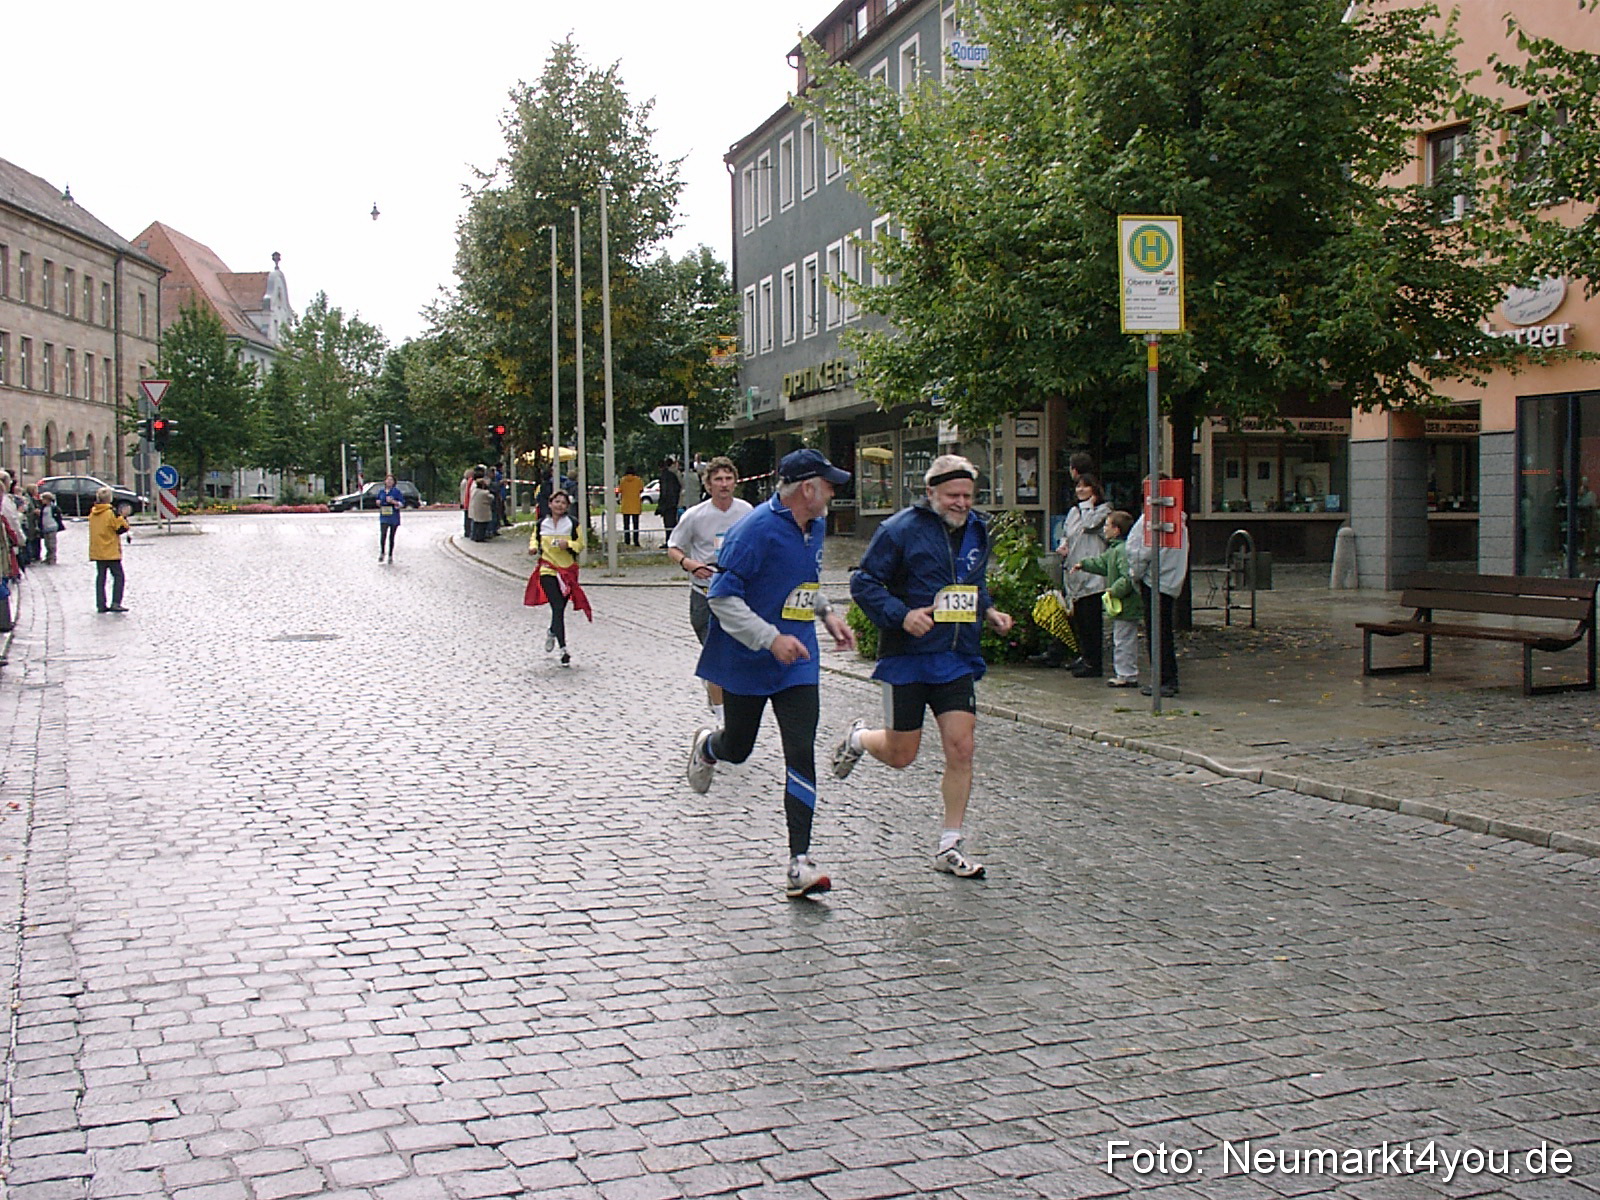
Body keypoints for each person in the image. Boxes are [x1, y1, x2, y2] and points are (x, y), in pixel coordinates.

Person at [830, 455, 1014, 880]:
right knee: (901, 755)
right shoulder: (898, 531)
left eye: (969, 495)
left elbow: (971, 584)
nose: (962, 503)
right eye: (953, 495)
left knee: (961, 747)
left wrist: (989, 612)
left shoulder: (977, 529)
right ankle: (859, 738)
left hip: (956, 657)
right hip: (908, 659)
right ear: (931, 493)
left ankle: (949, 846)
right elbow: (863, 582)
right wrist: (901, 615)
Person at [686, 448, 856, 899]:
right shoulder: (753, 531)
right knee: (737, 748)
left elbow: (803, 583)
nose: (834, 492)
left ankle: (799, 862)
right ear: (807, 489)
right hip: (747, 658)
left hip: (799, 662)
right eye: (829, 484)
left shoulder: (815, 526)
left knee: (800, 750)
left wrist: (827, 614)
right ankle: (708, 746)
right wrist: (769, 639)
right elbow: (721, 598)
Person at [666, 456, 754, 725]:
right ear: (708, 484)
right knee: (715, 656)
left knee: (735, 657)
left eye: (728, 479)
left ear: (735, 483)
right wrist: (690, 564)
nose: (724, 485)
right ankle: (722, 717)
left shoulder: (747, 512)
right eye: (718, 480)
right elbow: (673, 547)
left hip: (738, 595)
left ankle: (722, 705)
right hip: (705, 595)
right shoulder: (695, 515)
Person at [1127, 489, 1190, 697]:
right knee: (1163, 631)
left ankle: (1164, 679)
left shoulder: (1153, 518)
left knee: (1157, 632)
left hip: (1154, 581)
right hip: (1169, 582)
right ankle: (1166, 678)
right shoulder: (1178, 520)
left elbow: (1138, 552)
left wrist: (1135, 574)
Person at [1071, 510, 1143, 688]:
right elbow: (1102, 563)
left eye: (1107, 525)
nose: (1104, 529)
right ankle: (1125, 672)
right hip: (1122, 604)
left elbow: (1127, 577)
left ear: (1117, 530)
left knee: (1124, 639)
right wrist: (1085, 564)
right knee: (1121, 638)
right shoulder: (1114, 550)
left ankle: (1126, 674)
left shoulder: (1122, 551)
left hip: (1125, 604)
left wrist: (1113, 591)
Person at [1057, 473, 1112, 677]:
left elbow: (1089, 525)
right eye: (1078, 487)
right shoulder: (1074, 511)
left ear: (1094, 491)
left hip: (1093, 572)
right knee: (1080, 619)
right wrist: (1063, 545)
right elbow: (1068, 533)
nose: (1080, 491)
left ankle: (1094, 663)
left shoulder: (1103, 510)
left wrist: (1088, 505)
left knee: (1091, 620)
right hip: (1074, 569)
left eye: (1085, 487)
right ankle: (1084, 656)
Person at [526, 489, 589, 666]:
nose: (559, 505)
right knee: (557, 606)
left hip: (567, 571)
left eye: (563, 503)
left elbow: (580, 545)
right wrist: (532, 548)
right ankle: (563, 649)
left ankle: (552, 631)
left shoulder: (572, 523)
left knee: (560, 608)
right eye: (557, 502)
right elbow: (534, 540)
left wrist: (567, 544)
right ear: (550, 504)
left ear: (567, 506)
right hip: (548, 569)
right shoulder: (541, 524)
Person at [88, 486, 131, 613]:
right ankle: (116, 603)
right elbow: (121, 528)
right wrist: (123, 517)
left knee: (101, 577)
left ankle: (100, 604)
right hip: (110, 550)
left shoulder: (93, 513)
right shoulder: (110, 513)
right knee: (119, 576)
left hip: (97, 550)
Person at [375, 474, 405, 562]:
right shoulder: (381, 491)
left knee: (391, 536)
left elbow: (402, 503)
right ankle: (382, 552)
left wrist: (393, 502)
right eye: (387, 480)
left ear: (394, 482)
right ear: (385, 481)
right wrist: (378, 502)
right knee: (383, 534)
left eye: (391, 480)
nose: (389, 482)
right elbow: (377, 500)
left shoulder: (396, 492)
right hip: (384, 516)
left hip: (393, 516)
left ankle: (390, 555)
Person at [619, 466, 644, 547]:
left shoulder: (623, 480)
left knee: (626, 525)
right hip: (635, 505)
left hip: (625, 505)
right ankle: (636, 541)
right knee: (635, 524)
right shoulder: (638, 480)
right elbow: (641, 490)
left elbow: (620, 490)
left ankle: (627, 541)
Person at [658, 458, 683, 536]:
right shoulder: (671, 475)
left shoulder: (664, 476)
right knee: (672, 522)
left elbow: (664, 491)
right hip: (673, 502)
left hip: (668, 503)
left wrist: (661, 504)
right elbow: (678, 486)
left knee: (668, 523)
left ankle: (669, 540)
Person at [37, 490, 64, 564]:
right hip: (45, 527)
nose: (42, 501)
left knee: (52, 544)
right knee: (46, 544)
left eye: (44, 499)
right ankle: (48, 557)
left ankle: (52, 558)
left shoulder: (53, 508)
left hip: (52, 526)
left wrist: (58, 524)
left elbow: (58, 516)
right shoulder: (43, 507)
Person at [468, 472, 495, 542]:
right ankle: (480, 537)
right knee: (482, 525)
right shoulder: (485, 493)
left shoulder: (474, 491)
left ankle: (474, 536)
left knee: (476, 524)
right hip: (483, 511)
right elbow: (491, 498)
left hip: (475, 509)